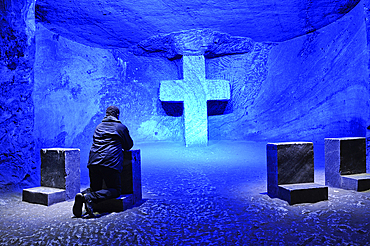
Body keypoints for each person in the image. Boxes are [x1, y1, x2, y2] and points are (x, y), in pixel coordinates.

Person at [73, 105, 133, 218]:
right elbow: (128, 145)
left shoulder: (98, 126)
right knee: (115, 190)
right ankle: (88, 198)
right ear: (117, 115)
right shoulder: (121, 127)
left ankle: (82, 195)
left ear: (106, 115)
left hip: (93, 162)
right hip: (110, 163)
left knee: (96, 188)